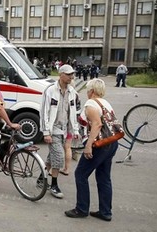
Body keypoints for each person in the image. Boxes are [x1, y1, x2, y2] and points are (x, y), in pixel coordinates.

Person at [65, 78, 118, 221]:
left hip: (99, 145)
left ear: (92, 91)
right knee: (104, 177)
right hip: (111, 143)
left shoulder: (90, 104)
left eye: (88, 89)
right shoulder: (105, 103)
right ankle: (105, 212)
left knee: (81, 174)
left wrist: (88, 146)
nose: (87, 92)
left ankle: (81, 209)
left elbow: (97, 124)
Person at [40, 64, 81, 199]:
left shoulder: (72, 92)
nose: (71, 77)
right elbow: (44, 111)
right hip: (53, 130)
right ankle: (54, 185)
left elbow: (73, 112)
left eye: (72, 74)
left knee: (52, 157)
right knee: (59, 156)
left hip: (65, 130)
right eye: (68, 74)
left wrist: (75, 129)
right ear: (61, 75)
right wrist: (46, 132)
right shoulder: (50, 90)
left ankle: (41, 177)